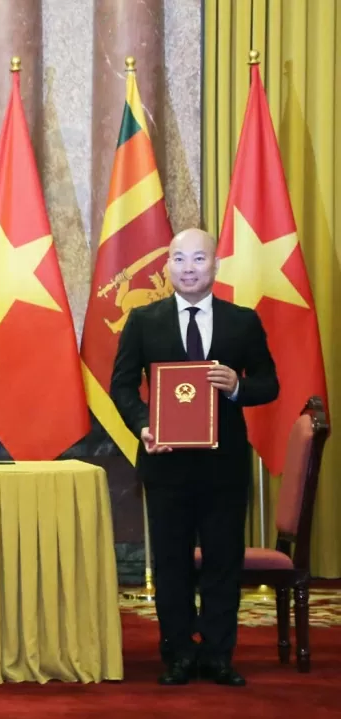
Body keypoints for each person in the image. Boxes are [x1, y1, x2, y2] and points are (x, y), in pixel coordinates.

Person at [110, 227, 278, 687]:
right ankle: (179, 654)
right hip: (165, 465)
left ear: (215, 265)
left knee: (224, 562)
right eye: (179, 259)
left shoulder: (241, 321)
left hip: (224, 467)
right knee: (171, 563)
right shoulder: (143, 321)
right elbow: (121, 387)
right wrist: (144, 425)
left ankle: (220, 656)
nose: (188, 268)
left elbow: (269, 383)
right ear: (167, 267)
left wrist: (238, 387)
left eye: (198, 259)